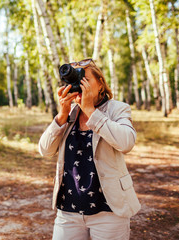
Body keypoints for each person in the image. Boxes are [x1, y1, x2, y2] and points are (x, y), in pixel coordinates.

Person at [38, 59, 140, 240]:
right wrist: (62, 115)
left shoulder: (117, 109)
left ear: (100, 83)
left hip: (109, 211)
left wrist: (91, 111)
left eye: (84, 80)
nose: (79, 86)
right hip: (69, 210)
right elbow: (45, 150)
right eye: (74, 81)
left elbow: (126, 142)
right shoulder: (69, 115)